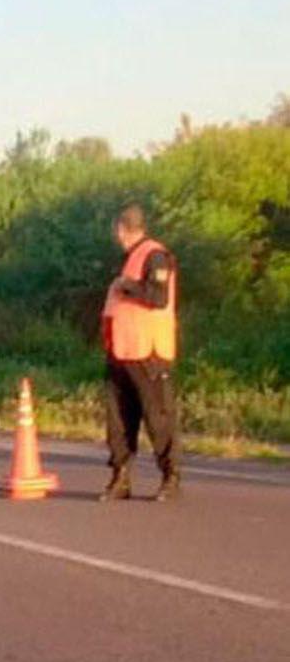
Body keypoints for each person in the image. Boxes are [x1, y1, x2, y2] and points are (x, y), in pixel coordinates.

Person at [99, 203, 181, 502]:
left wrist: (127, 286)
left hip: (148, 352)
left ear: (122, 229)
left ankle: (170, 478)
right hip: (122, 352)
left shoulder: (155, 255)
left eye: (117, 230)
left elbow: (157, 297)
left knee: (159, 417)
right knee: (119, 420)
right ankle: (120, 478)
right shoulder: (131, 257)